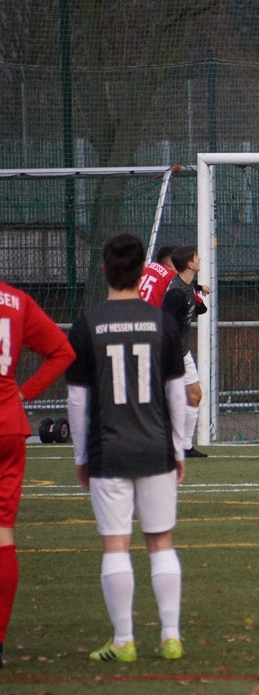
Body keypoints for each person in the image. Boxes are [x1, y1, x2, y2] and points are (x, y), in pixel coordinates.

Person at [65, 233, 187, 662]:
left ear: (104, 270)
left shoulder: (87, 325)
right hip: (155, 448)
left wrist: (81, 456)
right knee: (161, 542)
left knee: (116, 545)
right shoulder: (162, 323)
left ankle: (124, 641)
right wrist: (178, 449)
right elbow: (176, 393)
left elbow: (77, 400)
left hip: (109, 451)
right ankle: (170, 637)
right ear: (142, 273)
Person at [0, 282, 75, 667]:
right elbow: (63, 351)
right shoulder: (16, 300)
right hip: (8, 425)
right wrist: (22, 394)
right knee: (3, 534)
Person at [161, 246, 208, 458]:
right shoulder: (176, 294)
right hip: (169, 353)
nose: (199, 259)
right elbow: (165, 323)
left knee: (195, 395)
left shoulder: (186, 286)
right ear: (189, 264)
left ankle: (186, 446)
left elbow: (188, 305)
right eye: (196, 257)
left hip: (182, 351)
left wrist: (197, 305)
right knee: (164, 401)